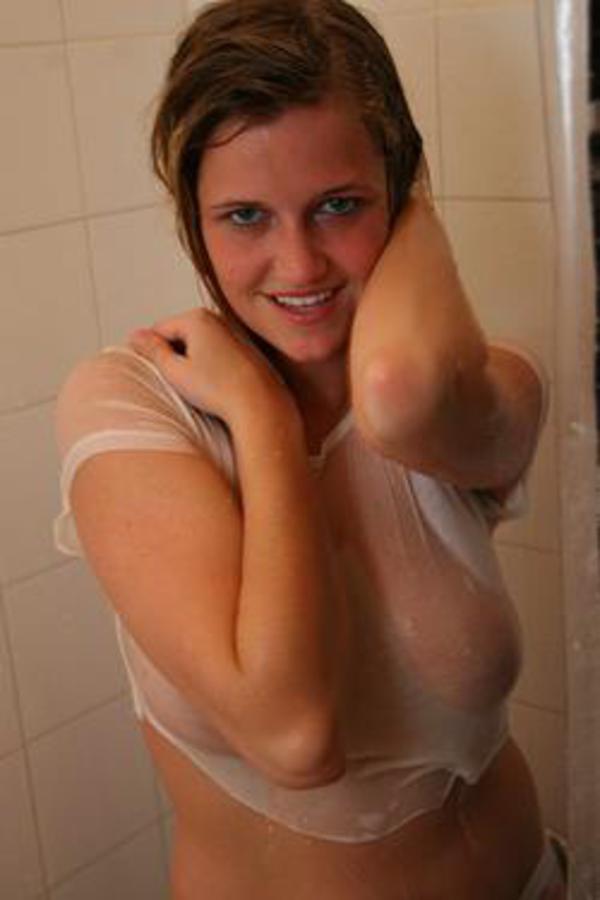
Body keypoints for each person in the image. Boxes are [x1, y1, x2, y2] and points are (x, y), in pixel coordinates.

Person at [53, 1, 568, 897]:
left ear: (400, 190)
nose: (298, 265)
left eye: (339, 205)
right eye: (245, 216)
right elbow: (294, 736)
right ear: (192, 219)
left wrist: (410, 187)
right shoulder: (129, 406)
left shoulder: (475, 389)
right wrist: (263, 421)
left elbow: (397, 391)